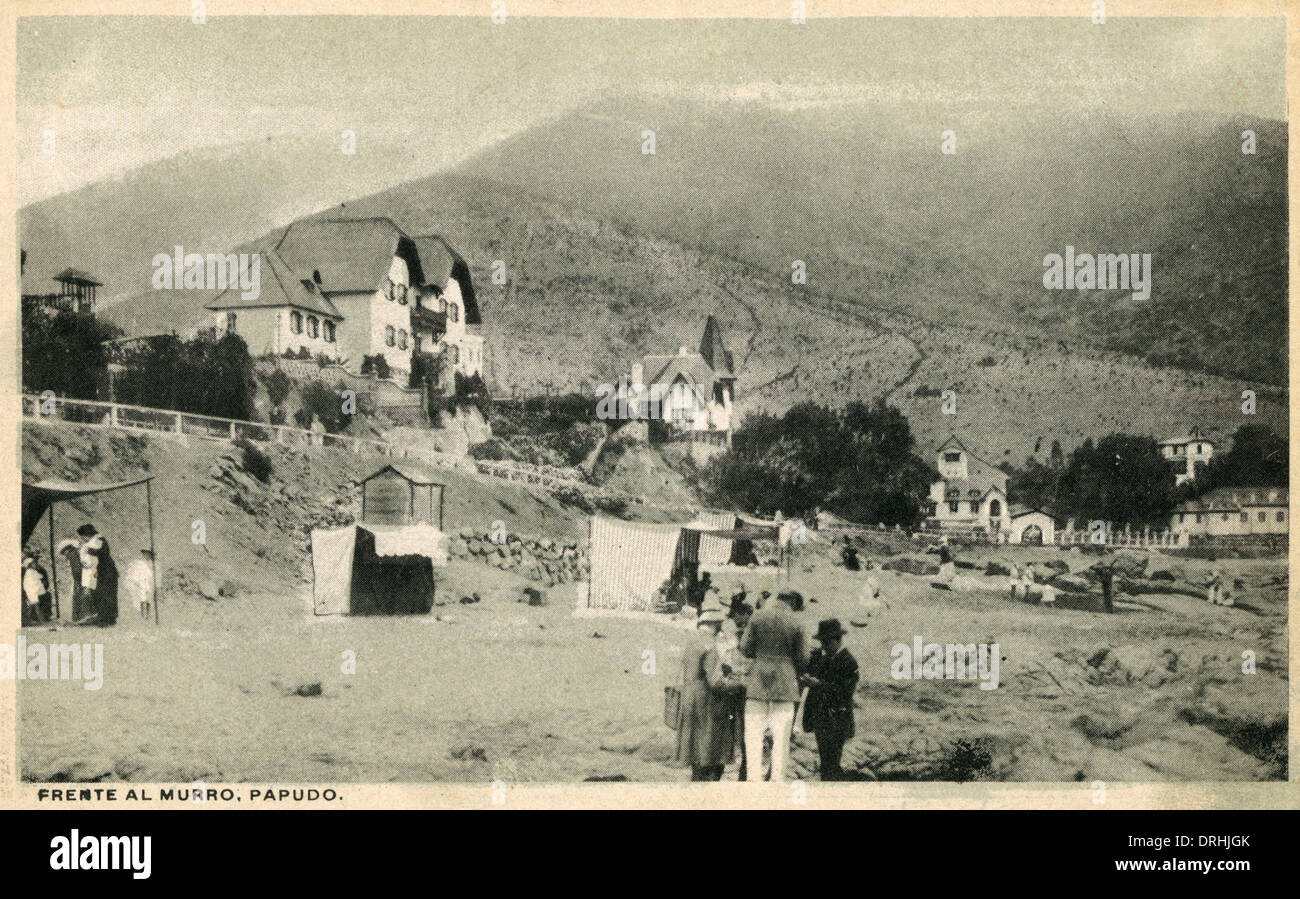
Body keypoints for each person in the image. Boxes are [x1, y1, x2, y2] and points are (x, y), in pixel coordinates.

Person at [738, 590, 808, 782]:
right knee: (781, 739)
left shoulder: (758, 616)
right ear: (793, 602)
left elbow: (744, 648)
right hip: (785, 685)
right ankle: (777, 782)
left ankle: (753, 782)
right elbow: (803, 659)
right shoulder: (797, 622)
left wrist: (761, 655)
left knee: (753, 736)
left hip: (757, 683)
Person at [675, 599, 742, 781]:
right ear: (716, 623)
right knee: (710, 753)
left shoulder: (693, 639)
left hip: (690, 695)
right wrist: (739, 685)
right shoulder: (710, 644)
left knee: (695, 751)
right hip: (706, 701)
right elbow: (715, 682)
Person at [801, 619, 859, 781]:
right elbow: (811, 672)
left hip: (837, 718)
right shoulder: (825, 658)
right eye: (822, 643)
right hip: (823, 718)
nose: (823, 646)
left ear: (838, 640)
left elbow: (845, 692)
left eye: (826, 642)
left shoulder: (848, 661)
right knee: (827, 762)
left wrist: (818, 684)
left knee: (831, 763)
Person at [78, 524, 119, 626]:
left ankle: (108, 618)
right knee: (100, 594)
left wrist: (89, 550)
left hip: (108, 572)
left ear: (87, 534)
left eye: (83, 537)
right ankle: (104, 616)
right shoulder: (94, 541)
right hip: (101, 572)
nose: (83, 539)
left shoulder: (100, 540)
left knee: (107, 595)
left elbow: (103, 552)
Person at [57, 538, 88, 620]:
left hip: (79, 579)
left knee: (79, 597)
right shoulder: (75, 553)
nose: (65, 555)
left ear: (67, 549)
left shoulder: (72, 555)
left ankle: (79, 618)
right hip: (81, 579)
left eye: (64, 552)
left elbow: (77, 570)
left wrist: (78, 581)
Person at [122, 548, 156, 620]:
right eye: (146, 554)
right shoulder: (139, 563)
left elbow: (151, 574)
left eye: (149, 554)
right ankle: (143, 615)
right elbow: (136, 573)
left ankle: (148, 614)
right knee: (142, 599)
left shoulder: (151, 564)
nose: (147, 556)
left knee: (149, 599)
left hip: (148, 582)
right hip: (141, 583)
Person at [21, 550, 50, 625]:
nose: (35, 564)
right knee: (35, 607)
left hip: (33, 591)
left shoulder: (34, 571)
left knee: (32, 606)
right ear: (30, 565)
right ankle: (41, 621)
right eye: (33, 563)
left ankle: (29, 620)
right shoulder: (30, 572)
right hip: (31, 591)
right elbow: (30, 583)